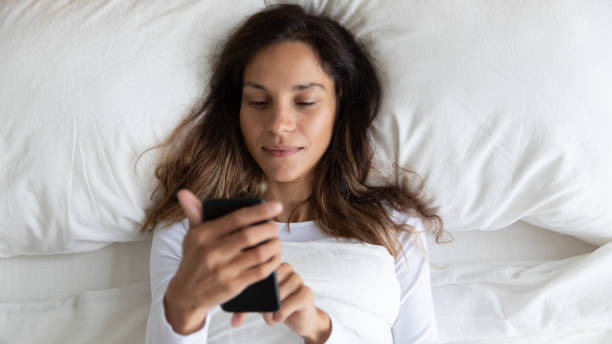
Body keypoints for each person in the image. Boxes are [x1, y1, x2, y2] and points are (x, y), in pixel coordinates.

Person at [138, 4, 447, 343]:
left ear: (339, 104)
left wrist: (318, 328)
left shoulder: (394, 223)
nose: (279, 125)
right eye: (258, 102)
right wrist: (184, 305)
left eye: (304, 103)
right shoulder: (191, 227)